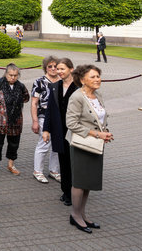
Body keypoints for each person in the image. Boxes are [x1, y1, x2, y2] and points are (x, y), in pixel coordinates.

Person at [65, 64, 113, 234]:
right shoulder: (77, 97)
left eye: (98, 76)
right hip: (81, 145)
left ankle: (82, 214)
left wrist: (104, 132)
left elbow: (99, 118)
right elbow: (71, 123)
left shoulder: (97, 95)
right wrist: (96, 134)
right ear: (82, 80)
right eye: (92, 77)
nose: (97, 79)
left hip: (95, 144)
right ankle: (75, 215)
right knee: (79, 182)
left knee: (88, 182)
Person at [0, 64, 30, 176]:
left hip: (16, 121)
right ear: (6, 73)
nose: (12, 77)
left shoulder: (20, 86)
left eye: (15, 75)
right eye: (10, 75)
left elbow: (26, 98)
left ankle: (11, 164)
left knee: (14, 144)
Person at [43, 58, 78, 207]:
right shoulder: (54, 86)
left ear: (71, 69)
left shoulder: (79, 86)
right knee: (63, 162)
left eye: (62, 69)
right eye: (58, 69)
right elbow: (50, 109)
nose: (59, 72)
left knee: (73, 162)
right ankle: (66, 191)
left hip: (74, 130)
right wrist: (46, 129)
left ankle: (74, 192)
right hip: (59, 130)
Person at [30, 56, 61, 183]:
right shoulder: (39, 82)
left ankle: (54, 170)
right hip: (44, 116)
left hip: (60, 117)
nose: (53, 69)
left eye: (56, 66)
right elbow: (34, 103)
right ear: (45, 68)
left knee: (57, 145)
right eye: (50, 66)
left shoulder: (63, 81)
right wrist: (35, 121)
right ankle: (38, 171)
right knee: (44, 143)